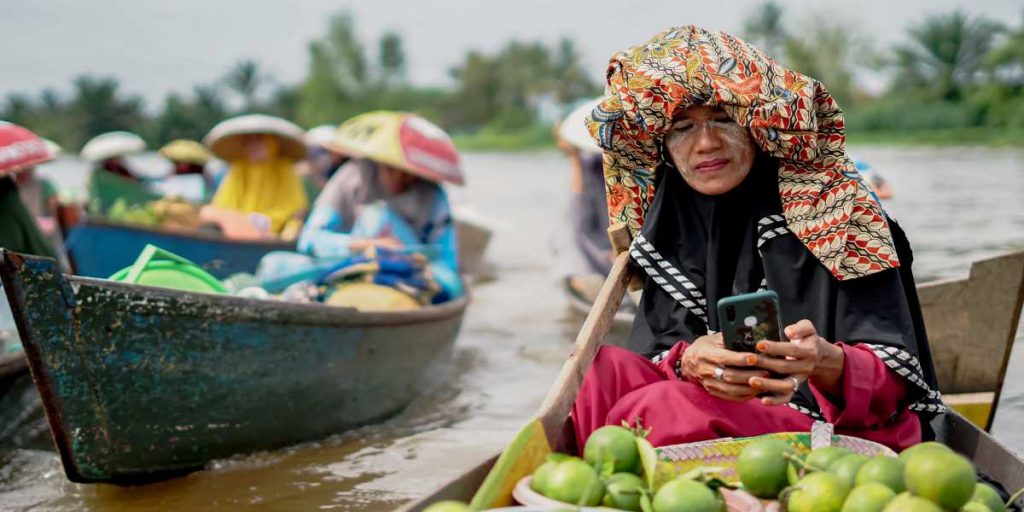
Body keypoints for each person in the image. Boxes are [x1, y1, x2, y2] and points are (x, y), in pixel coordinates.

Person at [571, 25, 943, 454]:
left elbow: (896, 385)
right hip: (723, 405)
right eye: (682, 128)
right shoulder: (674, 220)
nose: (706, 143)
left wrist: (822, 361)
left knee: (662, 406)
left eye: (723, 119)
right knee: (600, 370)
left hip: (830, 428)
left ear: (757, 127)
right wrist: (688, 361)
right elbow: (656, 350)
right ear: (663, 145)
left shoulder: (839, 210)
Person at [297, 112, 465, 300]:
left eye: (409, 172)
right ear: (379, 161)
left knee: (453, 287)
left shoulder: (433, 194)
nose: (400, 179)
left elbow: (447, 263)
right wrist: (370, 245)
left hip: (411, 276)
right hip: (348, 267)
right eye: (392, 168)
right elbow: (309, 239)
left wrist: (408, 258)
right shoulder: (352, 176)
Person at [201, 115, 310, 237]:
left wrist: (259, 221)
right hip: (234, 229)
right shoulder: (239, 168)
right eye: (249, 142)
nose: (253, 146)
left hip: (272, 232)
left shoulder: (285, 168)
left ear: (271, 142)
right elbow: (222, 203)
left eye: (259, 140)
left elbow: (295, 209)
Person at [81, 131, 160, 215]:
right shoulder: (100, 173)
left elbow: (133, 178)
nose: (118, 159)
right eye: (115, 158)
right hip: (115, 200)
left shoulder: (120, 168)